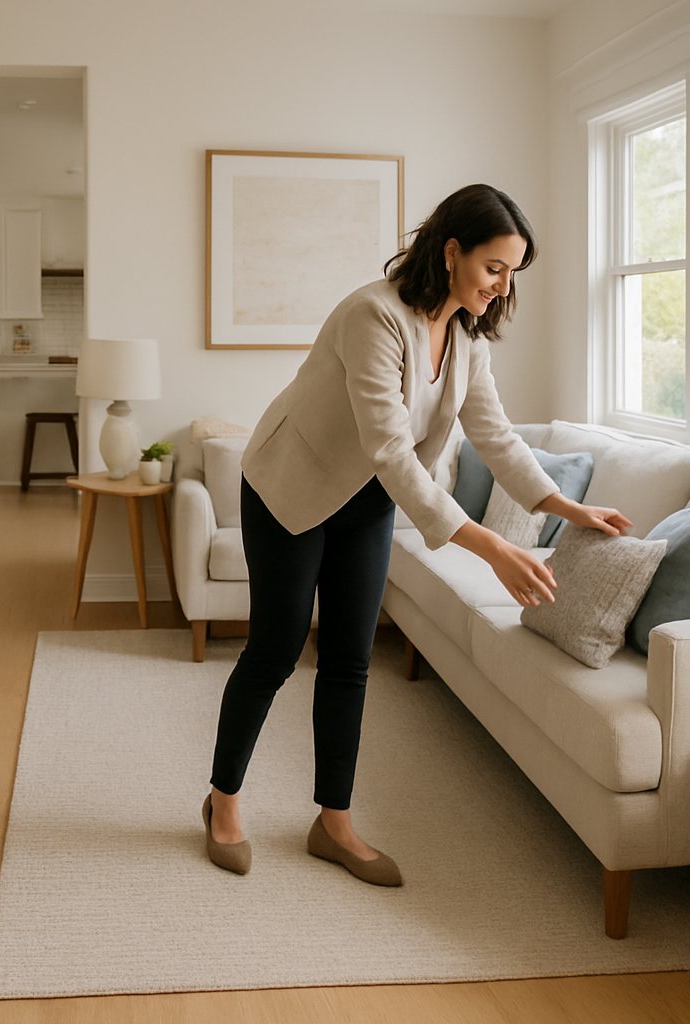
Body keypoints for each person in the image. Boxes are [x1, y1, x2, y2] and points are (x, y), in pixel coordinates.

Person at [202, 183, 632, 885]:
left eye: (513, 273)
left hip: (369, 501)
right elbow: (392, 450)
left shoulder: (465, 334)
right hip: (292, 488)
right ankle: (223, 803)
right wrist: (491, 548)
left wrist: (563, 505)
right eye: (495, 268)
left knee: (350, 660)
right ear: (453, 250)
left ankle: (332, 823)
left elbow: (494, 433)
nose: (502, 287)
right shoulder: (372, 316)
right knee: (275, 651)